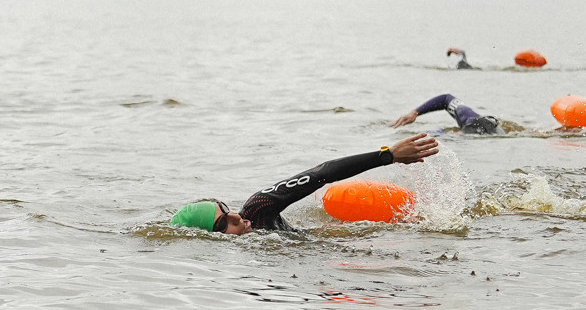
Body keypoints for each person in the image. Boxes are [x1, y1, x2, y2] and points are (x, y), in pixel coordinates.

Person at [171, 133, 439, 234]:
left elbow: (322, 173)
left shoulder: (258, 208)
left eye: (225, 208)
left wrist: (388, 155)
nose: (235, 217)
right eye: (223, 224)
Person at [393, 93, 501, 134]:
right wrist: (415, 112)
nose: (459, 133)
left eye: (460, 133)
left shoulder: (472, 128)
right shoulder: (468, 117)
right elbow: (445, 99)